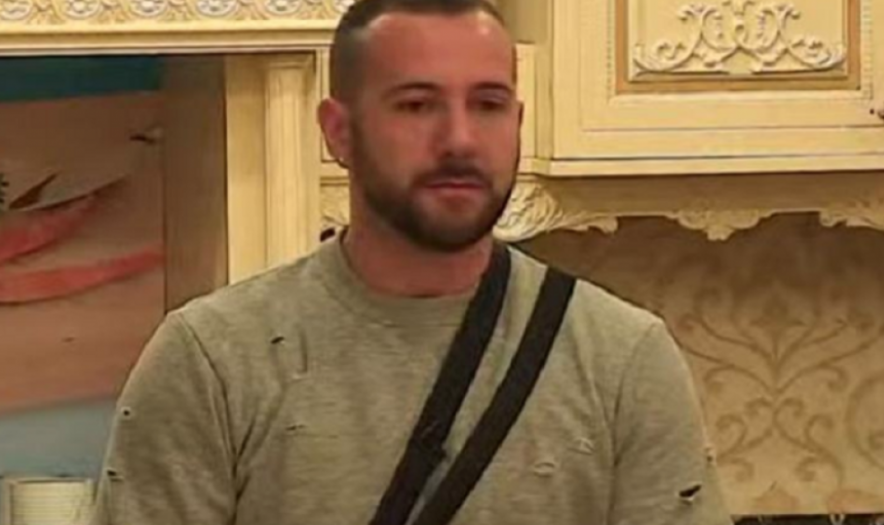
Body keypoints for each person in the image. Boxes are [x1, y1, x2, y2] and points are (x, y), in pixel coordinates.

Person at [89, 0, 734, 524]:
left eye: (487, 105)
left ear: (518, 121)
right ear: (339, 132)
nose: (459, 139)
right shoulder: (212, 361)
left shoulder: (621, 360)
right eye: (417, 105)